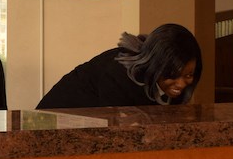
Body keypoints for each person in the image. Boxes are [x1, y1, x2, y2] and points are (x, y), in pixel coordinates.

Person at [36, 23, 202, 109]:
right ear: (156, 65)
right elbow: (119, 136)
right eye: (172, 75)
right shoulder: (118, 76)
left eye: (188, 75)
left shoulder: (165, 79)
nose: (181, 84)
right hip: (55, 127)